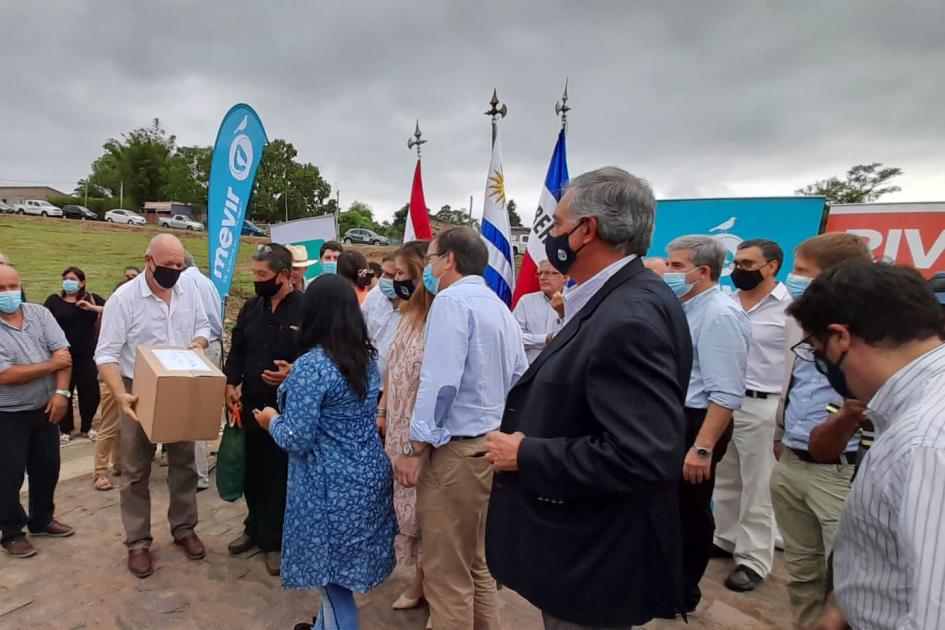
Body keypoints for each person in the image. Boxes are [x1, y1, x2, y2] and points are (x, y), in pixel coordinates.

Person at [485, 168, 691, 629]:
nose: (551, 237)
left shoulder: (628, 316)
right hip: (582, 545)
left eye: (556, 225)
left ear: (587, 231)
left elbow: (644, 455)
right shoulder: (617, 299)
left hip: (592, 559)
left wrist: (526, 453)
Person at [786, 262, 945, 630]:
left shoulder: (925, 442)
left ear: (840, 338)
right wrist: (845, 602)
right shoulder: (915, 409)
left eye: (815, 349)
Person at [394, 227, 527, 630]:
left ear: (448, 259)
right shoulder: (497, 305)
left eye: (431, 258)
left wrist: (416, 448)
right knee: (475, 563)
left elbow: (440, 383)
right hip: (488, 446)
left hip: (455, 454)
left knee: (446, 575)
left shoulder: (451, 301)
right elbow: (521, 372)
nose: (428, 268)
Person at [252, 274, 396, 630]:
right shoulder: (365, 357)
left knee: (332, 585)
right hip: (366, 479)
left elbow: (296, 438)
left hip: (328, 489)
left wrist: (271, 420)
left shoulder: (313, 366)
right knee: (340, 578)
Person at [769, 232, 872, 627]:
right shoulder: (805, 325)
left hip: (839, 474)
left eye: (800, 272)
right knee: (803, 575)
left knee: (846, 584)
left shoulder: (869, 336)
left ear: (833, 278)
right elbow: (793, 382)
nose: (792, 279)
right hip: (794, 460)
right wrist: (781, 437)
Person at [94, 234, 211, 579]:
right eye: (168, 266)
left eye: (179, 265)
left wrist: (199, 342)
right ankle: (138, 542)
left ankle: (184, 529)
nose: (175, 271)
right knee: (134, 470)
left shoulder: (187, 290)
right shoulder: (124, 300)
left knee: (184, 463)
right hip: (137, 388)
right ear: (148, 261)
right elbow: (106, 354)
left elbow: (204, 325)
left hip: (179, 382)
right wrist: (120, 394)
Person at [664, 235, 751, 613]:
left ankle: (683, 592)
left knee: (690, 510)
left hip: (699, 422)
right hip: (674, 417)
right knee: (669, 508)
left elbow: (726, 392)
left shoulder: (720, 314)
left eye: (677, 266)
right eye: (668, 264)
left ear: (703, 272)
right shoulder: (685, 307)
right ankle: (663, 582)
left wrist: (702, 447)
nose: (668, 272)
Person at [710, 239, 791, 592]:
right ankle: (725, 538)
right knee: (725, 476)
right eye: (736, 263)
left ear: (771, 266)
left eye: (747, 264)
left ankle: (754, 559)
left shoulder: (791, 310)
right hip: (724, 401)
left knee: (759, 485)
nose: (738, 269)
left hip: (763, 403)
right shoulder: (727, 303)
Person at [223, 243, 302, 576]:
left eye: (263, 275)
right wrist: (229, 384)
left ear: (284, 275)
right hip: (251, 402)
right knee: (251, 469)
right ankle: (253, 527)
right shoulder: (252, 307)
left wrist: (293, 371)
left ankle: (276, 541)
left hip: (289, 407)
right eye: (254, 274)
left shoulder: (306, 309)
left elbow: (322, 356)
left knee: (279, 474)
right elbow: (238, 347)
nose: (258, 281)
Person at [0, 264, 76, 558]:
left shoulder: (40, 314)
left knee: (47, 468)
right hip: (7, 414)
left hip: (46, 407)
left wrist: (61, 393)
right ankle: (11, 531)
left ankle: (42, 519)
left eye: (12, 286)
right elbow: (6, 375)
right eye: (2, 288)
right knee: (8, 475)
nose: (9, 293)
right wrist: (50, 365)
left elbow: (64, 355)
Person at [376, 240, 433, 612]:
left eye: (399, 274)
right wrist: (382, 410)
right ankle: (420, 582)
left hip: (421, 434)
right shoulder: (407, 315)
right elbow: (393, 370)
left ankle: (434, 590)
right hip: (396, 428)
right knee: (409, 510)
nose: (393, 281)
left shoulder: (440, 318)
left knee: (430, 515)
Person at [43, 267, 106, 444]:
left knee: (90, 392)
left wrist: (92, 307)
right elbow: (43, 321)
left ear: (82, 282)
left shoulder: (92, 298)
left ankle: (87, 426)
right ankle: (65, 429)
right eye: (66, 278)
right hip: (62, 354)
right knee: (64, 390)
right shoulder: (54, 300)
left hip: (86, 354)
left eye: (73, 278)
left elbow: (113, 310)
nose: (68, 282)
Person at [182, 252, 223, 491]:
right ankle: (198, 471)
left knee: (190, 415)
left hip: (194, 349)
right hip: (213, 347)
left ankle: (196, 474)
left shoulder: (183, 282)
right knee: (203, 411)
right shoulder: (208, 283)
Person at [362, 253, 402, 404]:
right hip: (368, 385)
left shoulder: (416, 309)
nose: (384, 279)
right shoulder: (374, 296)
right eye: (383, 273)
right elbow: (362, 334)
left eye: (391, 275)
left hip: (395, 391)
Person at [512, 260, 566, 364]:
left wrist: (562, 315)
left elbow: (576, 338)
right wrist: (544, 339)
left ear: (565, 277)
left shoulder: (575, 300)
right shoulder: (526, 301)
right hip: (530, 371)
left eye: (549, 273)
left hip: (562, 371)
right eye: (539, 273)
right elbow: (513, 336)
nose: (542, 277)